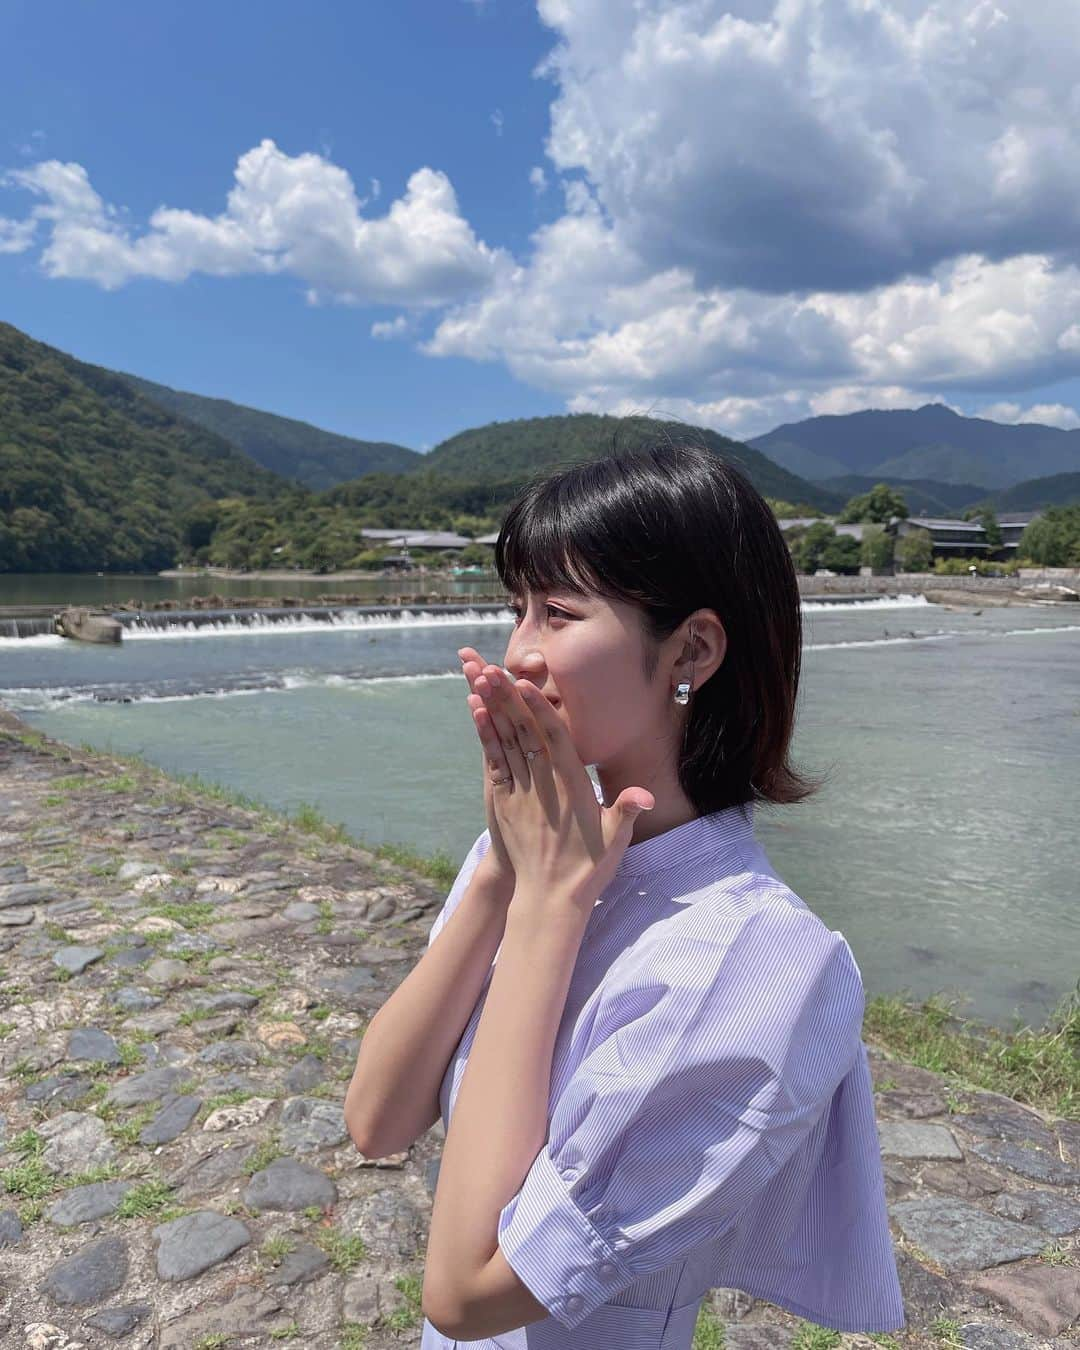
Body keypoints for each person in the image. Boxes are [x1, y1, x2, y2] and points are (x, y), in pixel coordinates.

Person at [345, 441, 905, 1349]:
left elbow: (467, 1289)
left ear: (692, 648)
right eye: (516, 610)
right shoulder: (528, 861)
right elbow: (376, 1120)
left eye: (559, 612)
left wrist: (548, 909)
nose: (518, 654)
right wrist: (502, 868)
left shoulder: (762, 963)